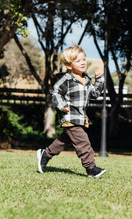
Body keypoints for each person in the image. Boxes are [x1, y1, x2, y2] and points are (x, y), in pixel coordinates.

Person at [37, 44, 107, 178]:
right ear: (69, 66)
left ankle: (45, 154)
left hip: (80, 117)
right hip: (69, 116)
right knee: (83, 141)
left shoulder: (86, 79)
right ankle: (90, 167)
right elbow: (55, 92)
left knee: (64, 140)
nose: (83, 62)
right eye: (78, 61)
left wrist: (99, 81)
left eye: (84, 59)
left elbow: (94, 94)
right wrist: (62, 105)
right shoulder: (67, 79)